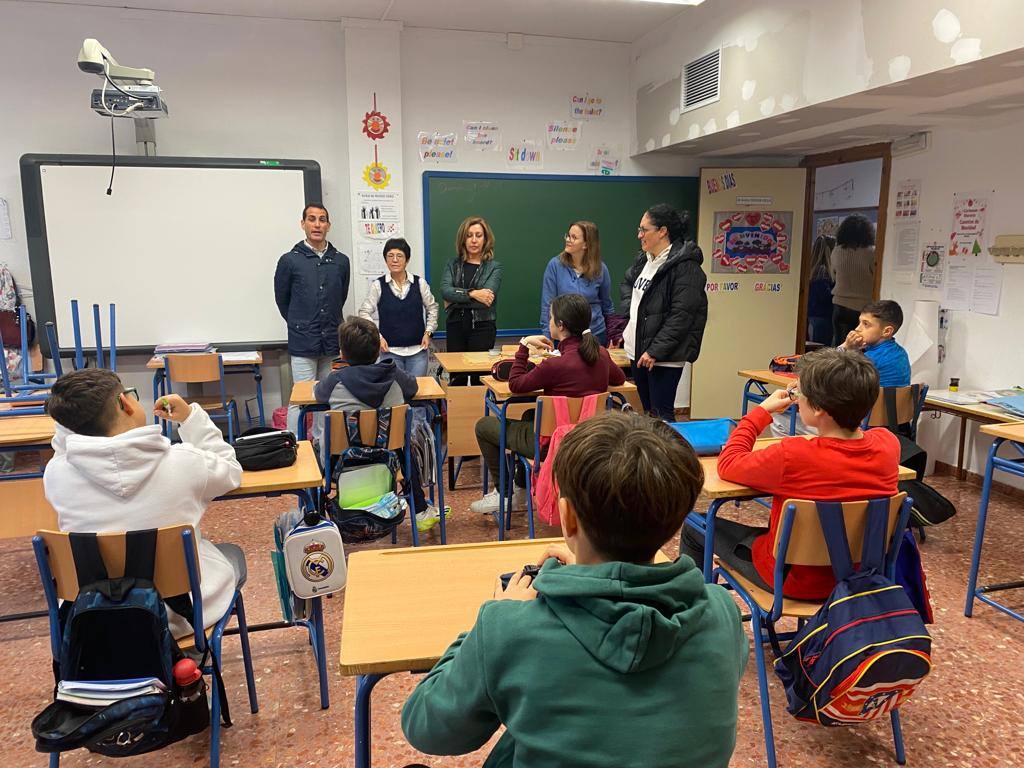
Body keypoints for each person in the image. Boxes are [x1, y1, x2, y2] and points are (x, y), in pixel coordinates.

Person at [402, 410, 748, 768]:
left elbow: (427, 729)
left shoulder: (509, 629)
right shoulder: (722, 613)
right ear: (676, 521)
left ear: (567, 517)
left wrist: (494, 616)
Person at [681, 347, 900, 601]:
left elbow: (728, 462)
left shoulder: (792, 455)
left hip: (794, 581)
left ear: (819, 409)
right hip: (863, 576)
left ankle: (688, 610)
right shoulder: (888, 445)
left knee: (694, 525)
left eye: (800, 393)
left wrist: (760, 413)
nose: (796, 398)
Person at [43, 369, 244, 638]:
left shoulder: (57, 474)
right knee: (232, 554)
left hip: (94, 618)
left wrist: (72, 415)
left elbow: (64, 448)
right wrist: (191, 418)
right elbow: (232, 471)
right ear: (125, 403)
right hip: (181, 614)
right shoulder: (185, 462)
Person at [471, 293, 625, 515]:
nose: (549, 321)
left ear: (560, 326)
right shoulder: (599, 353)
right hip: (591, 439)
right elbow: (618, 379)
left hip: (554, 444)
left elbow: (515, 384)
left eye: (551, 318)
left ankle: (505, 495)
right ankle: (522, 488)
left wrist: (523, 346)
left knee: (484, 426)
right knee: (528, 415)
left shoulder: (555, 366)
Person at [314, 317, 440, 533]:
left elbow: (317, 395)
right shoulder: (395, 375)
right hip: (389, 462)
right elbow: (414, 388)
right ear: (378, 351)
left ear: (343, 353)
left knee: (313, 448)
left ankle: (317, 523)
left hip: (341, 466)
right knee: (405, 446)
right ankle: (419, 510)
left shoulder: (335, 380)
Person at [620, 203, 708, 421]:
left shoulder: (685, 267)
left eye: (644, 229)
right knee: (649, 414)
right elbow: (627, 285)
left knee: (662, 416)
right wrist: (632, 319)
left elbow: (682, 315)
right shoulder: (645, 260)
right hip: (638, 349)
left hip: (662, 356)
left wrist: (655, 351)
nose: (639, 235)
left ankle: (668, 456)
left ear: (662, 231)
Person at [274, 203, 351, 436]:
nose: (317, 224)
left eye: (322, 219)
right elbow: (282, 301)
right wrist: (301, 322)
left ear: (328, 225)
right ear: (303, 224)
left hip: (330, 339)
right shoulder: (290, 260)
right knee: (301, 397)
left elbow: (341, 295)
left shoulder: (341, 261)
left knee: (326, 396)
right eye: (312, 219)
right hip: (303, 339)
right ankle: (294, 444)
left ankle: (321, 444)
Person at [357, 237, 438, 377]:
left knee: (417, 393)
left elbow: (433, 308)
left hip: (418, 351)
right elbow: (364, 312)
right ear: (385, 260)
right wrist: (378, 337)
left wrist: (428, 332)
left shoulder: (420, 283)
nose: (395, 260)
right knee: (394, 395)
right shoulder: (378, 285)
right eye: (390, 256)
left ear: (407, 260)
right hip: (390, 353)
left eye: (399, 256)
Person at [440, 216, 502, 385]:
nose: (474, 240)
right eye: (469, 235)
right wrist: (473, 293)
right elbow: (445, 291)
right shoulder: (452, 264)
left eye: (478, 235)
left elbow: (486, 300)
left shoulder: (493, 267)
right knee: (457, 379)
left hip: (483, 327)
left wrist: (454, 299)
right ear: (463, 239)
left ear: (485, 239)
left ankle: (479, 412)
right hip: (456, 327)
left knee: (479, 379)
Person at [539, 221, 614, 345]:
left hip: (595, 335)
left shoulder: (600, 269)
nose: (568, 240)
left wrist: (613, 335)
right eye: (568, 235)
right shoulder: (555, 265)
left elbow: (607, 305)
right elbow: (547, 304)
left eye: (574, 237)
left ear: (586, 244)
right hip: (564, 337)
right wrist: (548, 336)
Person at [839, 299, 911, 388]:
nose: (857, 328)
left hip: (874, 401)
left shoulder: (867, 360)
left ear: (887, 331)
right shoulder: (901, 353)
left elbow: (826, 374)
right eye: (859, 322)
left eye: (866, 324)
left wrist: (846, 346)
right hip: (896, 401)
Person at [830, 213, 875, 346]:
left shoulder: (837, 251)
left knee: (840, 345)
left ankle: (835, 367)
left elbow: (833, 275)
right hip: (863, 307)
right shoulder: (872, 252)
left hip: (840, 305)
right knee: (861, 347)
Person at [806, 234, 836, 345]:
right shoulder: (823, 271)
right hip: (822, 317)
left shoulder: (812, 270)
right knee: (822, 351)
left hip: (814, 316)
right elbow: (826, 296)